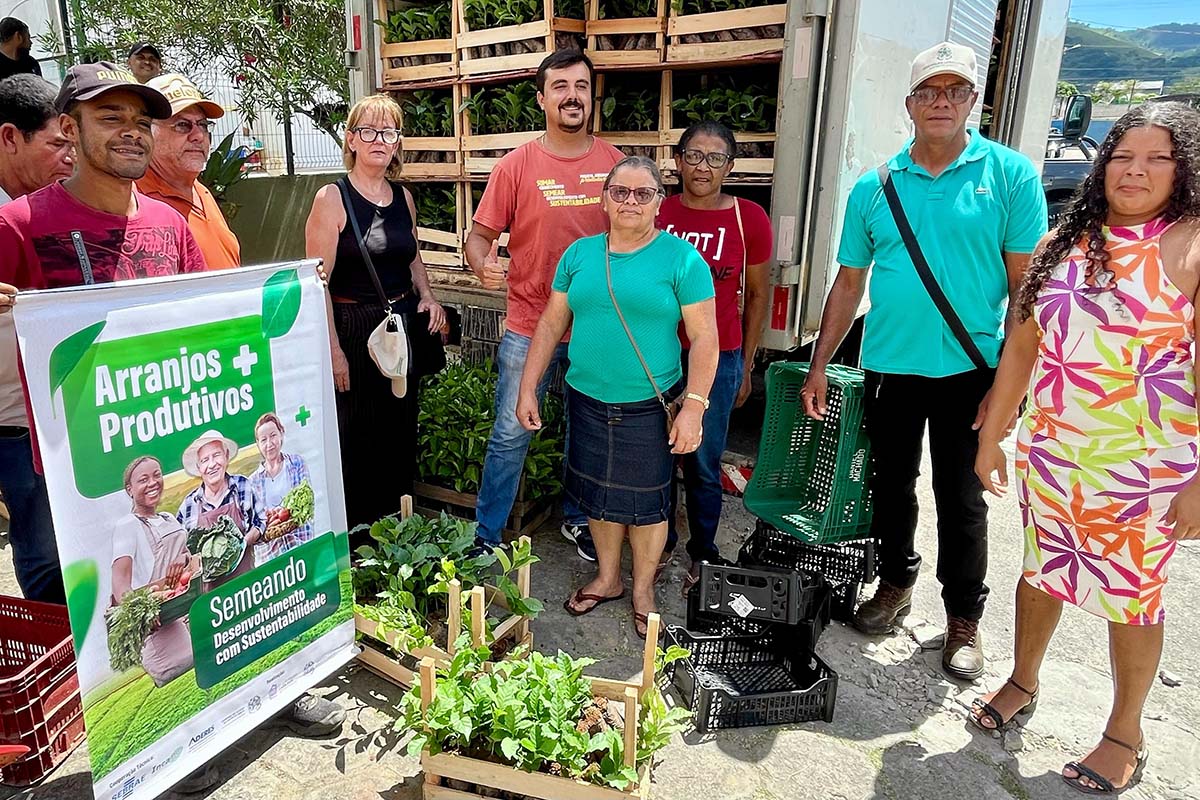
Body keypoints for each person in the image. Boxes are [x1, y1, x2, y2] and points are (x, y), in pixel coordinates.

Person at [799, 41, 1048, 681]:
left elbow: (1027, 290)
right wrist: (822, 363)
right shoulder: (874, 186)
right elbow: (849, 283)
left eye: (955, 91)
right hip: (889, 368)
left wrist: (1011, 387)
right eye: (929, 92)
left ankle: (963, 618)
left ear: (973, 101)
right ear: (909, 104)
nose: (941, 102)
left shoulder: (1010, 175)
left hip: (971, 372)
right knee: (890, 487)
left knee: (962, 497)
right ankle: (895, 583)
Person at [973, 101, 1200, 795]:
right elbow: (1023, 346)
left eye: (1157, 157)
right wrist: (993, 434)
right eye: (1123, 154)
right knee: (1041, 572)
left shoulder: (1189, 246)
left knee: (1133, 598)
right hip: (1055, 452)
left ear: (1183, 168)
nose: (1135, 170)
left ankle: (1125, 732)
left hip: (1144, 468)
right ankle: (1022, 678)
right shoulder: (1061, 243)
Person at [517, 156, 718, 638]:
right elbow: (550, 322)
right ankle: (607, 578)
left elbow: (705, 339)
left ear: (658, 203)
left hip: (648, 405)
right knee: (600, 497)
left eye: (642, 193)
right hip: (586, 398)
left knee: (649, 505)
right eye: (620, 192)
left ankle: (643, 589)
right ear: (604, 199)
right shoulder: (580, 254)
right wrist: (528, 385)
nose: (630, 201)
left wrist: (693, 406)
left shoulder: (682, 260)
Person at [467, 49, 623, 559]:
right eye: (560, 86)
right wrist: (481, 263)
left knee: (589, 432)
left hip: (598, 331)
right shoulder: (516, 166)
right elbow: (479, 237)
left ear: (591, 97)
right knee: (510, 434)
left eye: (581, 86)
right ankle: (486, 536)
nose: (572, 96)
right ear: (541, 98)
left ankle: (578, 520)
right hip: (528, 326)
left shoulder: (616, 166)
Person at [304, 93, 446, 530]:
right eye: (368, 131)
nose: (379, 140)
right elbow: (316, 283)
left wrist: (428, 294)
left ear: (398, 142)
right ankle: (358, 540)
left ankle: (396, 530)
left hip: (399, 328)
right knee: (358, 439)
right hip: (353, 329)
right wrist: (332, 350)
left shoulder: (403, 198)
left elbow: (413, 256)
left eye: (388, 132)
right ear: (351, 139)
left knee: (399, 431)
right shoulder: (332, 198)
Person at [657, 120, 772, 589]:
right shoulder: (658, 212)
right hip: (661, 356)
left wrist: (745, 366)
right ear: (679, 160)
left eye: (716, 158)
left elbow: (759, 295)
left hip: (719, 358)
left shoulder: (749, 218)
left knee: (703, 458)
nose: (703, 167)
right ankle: (658, 543)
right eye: (694, 155)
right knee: (657, 457)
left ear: (730, 166)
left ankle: (702, 552)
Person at [0, 74, 74, 604]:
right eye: (56, 144)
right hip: (15, 423)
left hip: (61, 410)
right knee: (45, 554)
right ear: (10, 138)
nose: (69, 158)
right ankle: (57, 668)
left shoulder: (50, 210)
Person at [137, 73, 240, 269]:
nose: (198, 136)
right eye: (182, 125)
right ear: (147, 132)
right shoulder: (134, 201)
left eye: (203, 124)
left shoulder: (201, 192)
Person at [111, 456, 198, 687]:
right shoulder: (128, 525)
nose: (153, 483)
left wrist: (183, 557)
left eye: (157, 475)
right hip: (160, 625)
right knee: (182, 685)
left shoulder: (168, 518)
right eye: (143, 479)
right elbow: (120, 583)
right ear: (129, 489)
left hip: (184, 610)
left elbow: (187, 557)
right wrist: (141, 615)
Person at [176, 430, 262, 585]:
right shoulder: (188, 505)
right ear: (198, 467)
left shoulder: (242, 486)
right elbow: (182, 555)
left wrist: (244, 543)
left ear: (226, 456)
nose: (212, 465)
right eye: (205, 460)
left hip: (248, 587)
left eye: (216, 455)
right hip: (211, 599)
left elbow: (260, 522)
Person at [248, 412, 314, 564]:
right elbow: (254, 526)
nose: (269, 444)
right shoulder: (252, 482)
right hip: (270, 559)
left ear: (281, 433)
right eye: (263, 440)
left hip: (301, 547)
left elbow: (307, 506)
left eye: (273, 435)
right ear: (258, 444)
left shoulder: (297, 463)